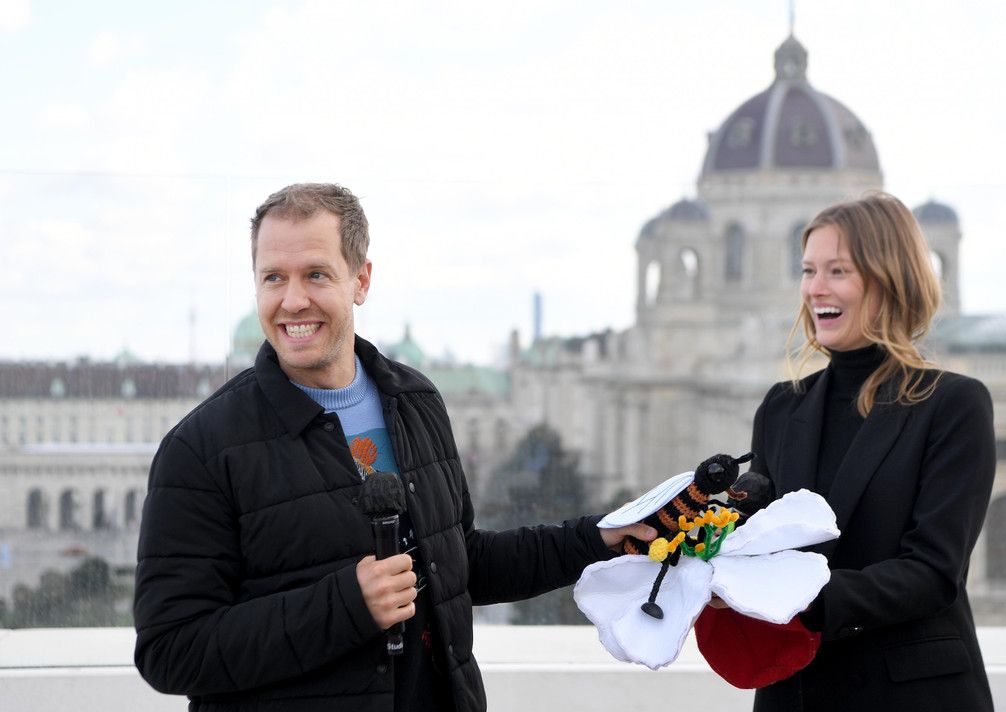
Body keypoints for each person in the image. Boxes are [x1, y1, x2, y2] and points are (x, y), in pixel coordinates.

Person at [133, 183, 654, 712]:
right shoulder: (200, 448)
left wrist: (597, 538)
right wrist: (347, 605)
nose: (292, 300)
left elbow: (459, 563)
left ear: (360, 281)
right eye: (273, 278)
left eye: (316, 274)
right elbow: (170, 651)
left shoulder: (414, 402)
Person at [746, 191, 995, 710]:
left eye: (837, 271)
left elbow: (933, 572)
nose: (815, 288)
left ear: (889, 278)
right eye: (808, 270)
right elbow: (756, 545)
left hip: (912, 697)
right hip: (794, 693)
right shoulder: (780, 408)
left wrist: (804, 598)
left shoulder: (953, 405)